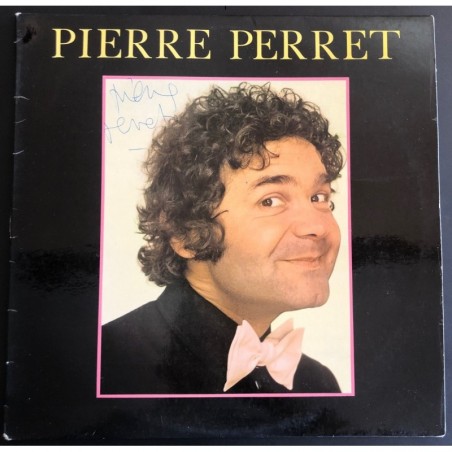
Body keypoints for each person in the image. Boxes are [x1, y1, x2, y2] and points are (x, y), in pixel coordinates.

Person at [101, 83, 344, 395]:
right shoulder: (104, 364)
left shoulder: (317, 383)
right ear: (186, 234)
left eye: (319, 197)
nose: (317, 227)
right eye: (270, 201)